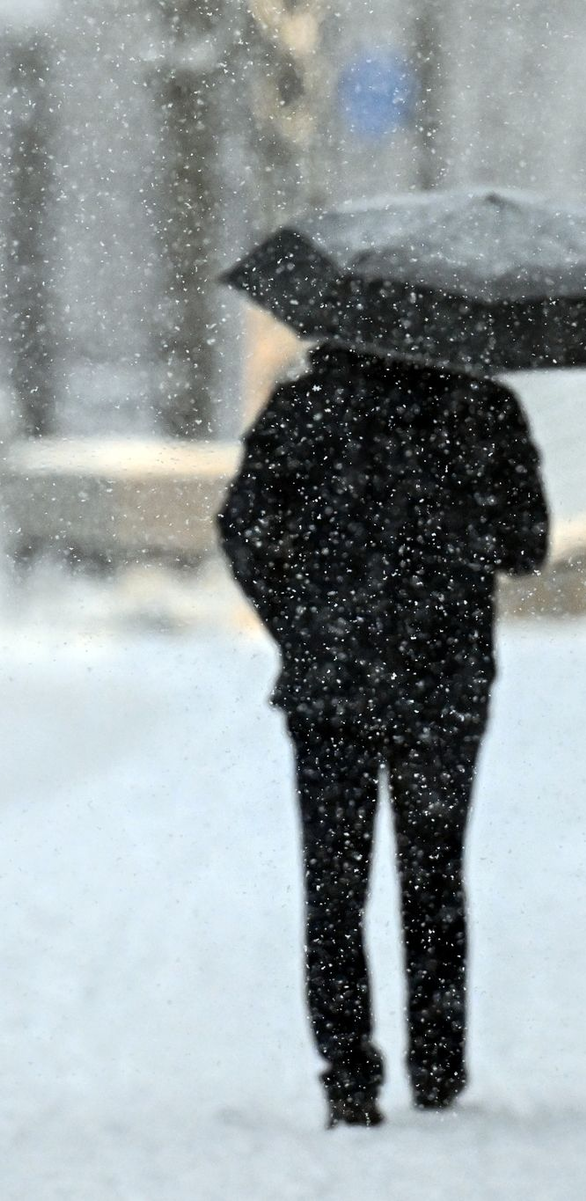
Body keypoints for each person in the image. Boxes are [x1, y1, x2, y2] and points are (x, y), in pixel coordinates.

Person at [217, 343, 549, 1129]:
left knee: (334, 884)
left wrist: (300, 624)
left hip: (332, 684)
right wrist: (459, 519)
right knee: (435, 874)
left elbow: (243, 528)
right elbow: (527, 545)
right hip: (444, 679)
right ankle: (436, 1067)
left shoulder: (305, 405)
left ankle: (349, 1076)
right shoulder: (482, 408)